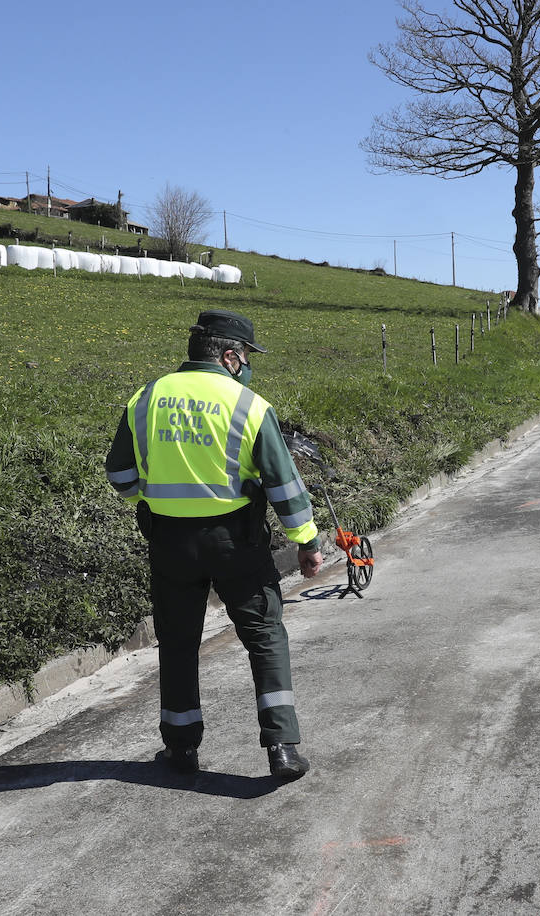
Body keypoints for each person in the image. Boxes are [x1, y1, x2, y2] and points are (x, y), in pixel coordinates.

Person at [105, 309, 325, 780]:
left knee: (179, 644)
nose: (247, 364)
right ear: (229, 356)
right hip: (236, 544)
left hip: (169, 544)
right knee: (265, 639)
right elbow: (284, 484)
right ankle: (282, 747)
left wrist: (155, 494)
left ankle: (181, 749)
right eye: (245, 355)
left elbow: (120, 476)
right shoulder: (249, 406)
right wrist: (306, 541)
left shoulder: (145, 398)